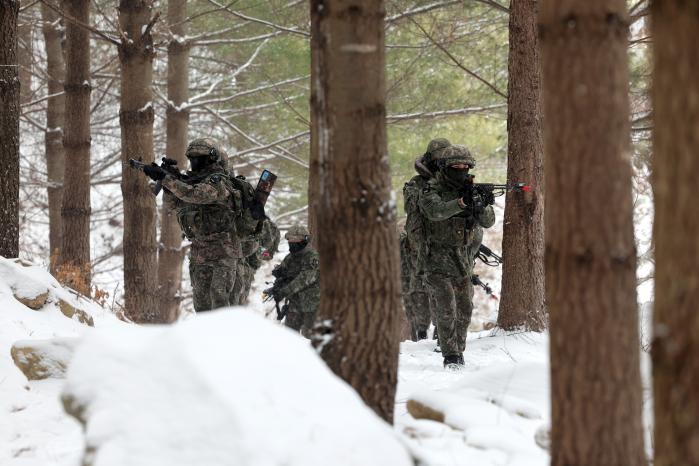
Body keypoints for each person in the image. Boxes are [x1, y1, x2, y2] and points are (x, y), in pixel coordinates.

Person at [418, 144, 495, 369]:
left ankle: (458, 349)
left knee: (464, 308)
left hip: (462, 259)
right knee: (446, 308)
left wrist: (480, 204)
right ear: (445, 167)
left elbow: (488, 221)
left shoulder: (471, 189)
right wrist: (461, 203)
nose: (461, 170)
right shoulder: (431, 189)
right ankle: (451, 356)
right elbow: (434, 211)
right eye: (456, 166)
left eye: (465, 166)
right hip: (436, 258)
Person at [143, 138, 242, 312]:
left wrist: (167, 179)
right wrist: (169, 183)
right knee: (202, 306)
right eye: (192, 157)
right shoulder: (191, 182)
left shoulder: (218, 181)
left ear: (211, 158)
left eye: (200, 157)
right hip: (200, 253)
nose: (195, 161)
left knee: (220, 305)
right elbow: (173, 204)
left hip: (223, 253)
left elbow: (197, 195)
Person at [402, 138, 451, 340]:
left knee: (445, 290)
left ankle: (443, 333)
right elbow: (415, 209)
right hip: (421, 244)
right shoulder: (416, 183)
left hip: (447, 243)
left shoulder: (454, 180)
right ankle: (421, 332)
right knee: (420, 290)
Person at [264, 225, 320, 337]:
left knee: (311, 338)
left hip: (312, 305)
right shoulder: (291, 257)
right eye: (290, 240)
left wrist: (284, 291)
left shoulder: (312, 257)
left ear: (305, 240)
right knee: (289, 337)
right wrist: (276, 286)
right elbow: (283, 275)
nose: (293, 243)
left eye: (297, 240)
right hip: (294, 304)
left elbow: (305, 279)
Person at [232, 217, 280, 305]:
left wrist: (257, 252)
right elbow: (269, 253)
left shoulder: (266, 224)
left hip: (245, 264)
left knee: (237, 294)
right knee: (238, 294)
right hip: (241, 263)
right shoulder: (241, 218)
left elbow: (269, 251)